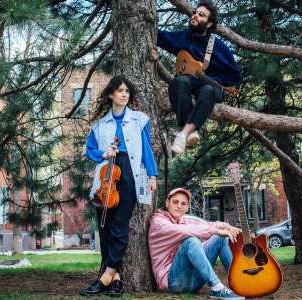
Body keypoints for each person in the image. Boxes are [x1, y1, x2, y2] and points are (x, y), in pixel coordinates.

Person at [81, 75, 158, 297]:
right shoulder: (99, 125)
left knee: (119, 227)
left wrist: (152, 175)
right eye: (120, 91)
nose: (124, 94)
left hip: (129, 173)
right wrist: (103, 153)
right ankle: (116, 280)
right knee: (104, 229)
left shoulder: (139, 120)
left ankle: (104, 277)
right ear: (110, 95)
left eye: (127, 91)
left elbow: (146, 150)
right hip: (106, 176)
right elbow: (90, 150)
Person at [157, 0, 241, 154]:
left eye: (201, 15)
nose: (195, 16)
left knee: (207, 90)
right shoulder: (184, 37)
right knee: (179, 81)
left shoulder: (218, 46)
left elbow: (235, 75)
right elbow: (160, 37)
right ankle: (190, 131)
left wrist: (218, 81)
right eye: (195, 12)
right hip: (190, 81)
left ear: (209, 24)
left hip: (213, 86)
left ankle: (183, 134)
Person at [148, 188, 244, 300]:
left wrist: (231, 228)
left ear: (187, 207)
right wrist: (215, 231)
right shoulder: (158, 222)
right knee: (191, 241)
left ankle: (240, 283)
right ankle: (217, 288)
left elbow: (208, 225)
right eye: (175, 202)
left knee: (220, 238)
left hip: (193, 282)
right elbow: (183, 231)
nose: (179, 206)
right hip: (173, 283)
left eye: (183, 204)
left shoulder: (184, 220)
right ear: (167, 203)